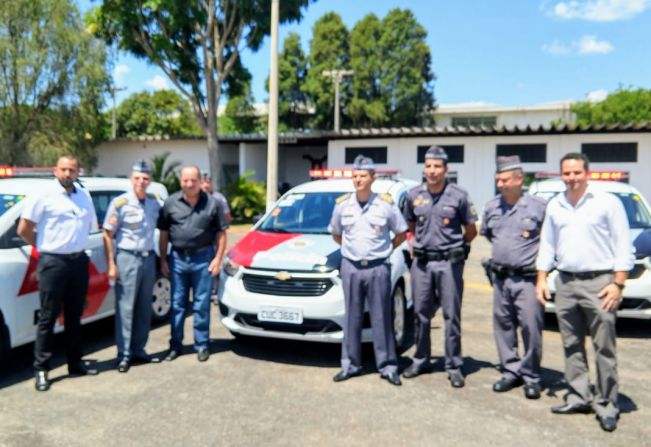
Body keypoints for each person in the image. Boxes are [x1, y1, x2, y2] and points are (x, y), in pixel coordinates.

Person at [536, 153, 634, 432]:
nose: (572, 178)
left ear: (587, 173)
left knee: (604, 347)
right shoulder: (556, 205)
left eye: (577, 173)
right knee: (571, 345)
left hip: (600, 284)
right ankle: (579, 396)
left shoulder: (606, 203)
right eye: (567, 173)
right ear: (561, 175)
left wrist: (618, 283)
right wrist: (542, 278)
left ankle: (606, 404)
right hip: (566, 283)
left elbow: (623, 245)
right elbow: (547, 245)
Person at [17, 155, 100, 391]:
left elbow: (89, 227)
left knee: (75, 315)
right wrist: (44, 247)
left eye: (72, 170)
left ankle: (75, 364)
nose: (67, 174)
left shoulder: (84, 196)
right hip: (53, 262)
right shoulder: (42, 195)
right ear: (55, 171)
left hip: (78, 262)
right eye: (63, 169)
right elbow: (24, 229)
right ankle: (42, 369)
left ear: (78, 172)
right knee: (48, 317)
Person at [402, 146, 478, 388]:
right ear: (424, 168)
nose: (432, 171)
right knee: (421, 314)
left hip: (449, 263)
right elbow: (410, 227)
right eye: (428, 166)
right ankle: (421, 359)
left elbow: (471, 230)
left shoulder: (459, 195)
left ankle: (454, 365)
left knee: (451, 315)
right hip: (422, 264)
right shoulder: (414, 195)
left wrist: (455, 248)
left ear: (446, 169)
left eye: (437, 166)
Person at [328, 155, 407, 386]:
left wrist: (384, 251)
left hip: (378, 268)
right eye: (355, 176)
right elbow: (335, 233)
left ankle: (388, 366)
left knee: (382, 317)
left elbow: (401, 232)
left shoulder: (386, 203)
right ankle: (350, 365)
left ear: (373, 178)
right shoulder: (343, 204)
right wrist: (352, 250)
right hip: (351, 267)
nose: (358, 179)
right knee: (351, 318)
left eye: (362, 176)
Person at [480, 155, 546, 399]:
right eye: (498, 179)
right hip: (500, 278)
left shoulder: (538, 207)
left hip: (527, 279)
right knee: (503, 326)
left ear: (519, 180)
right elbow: (488, 234)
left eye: (506, 179)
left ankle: (531, 376)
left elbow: (549, 241)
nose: (501, 184)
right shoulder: (491, 207)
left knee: (531, 327)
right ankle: (510, 370)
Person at [158, 165, 227, 362]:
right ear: (181, 181)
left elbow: (222, 233)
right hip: (177, 259)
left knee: (201, 304)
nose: (189, 184)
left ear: (199, 181)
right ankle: (175, 345)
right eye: (185, 181)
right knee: (178, 304)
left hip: (203, 259)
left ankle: (202, 344)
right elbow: (163, 233)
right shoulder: (170, 203)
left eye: (193, 181)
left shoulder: (212, 204)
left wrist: (218, 258)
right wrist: (163, 259)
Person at [102, 160, 162, 373]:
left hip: (148, 259)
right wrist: (111, 263)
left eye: (145, 178)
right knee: (126, 308)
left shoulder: (155, 202)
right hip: (127, 258)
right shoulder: (120, 203)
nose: (141, 182)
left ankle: (139, 349)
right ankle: (124, 354)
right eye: (137, 178)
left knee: (144, 307)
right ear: (131, 179)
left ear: (150, 180)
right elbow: (108, 234)